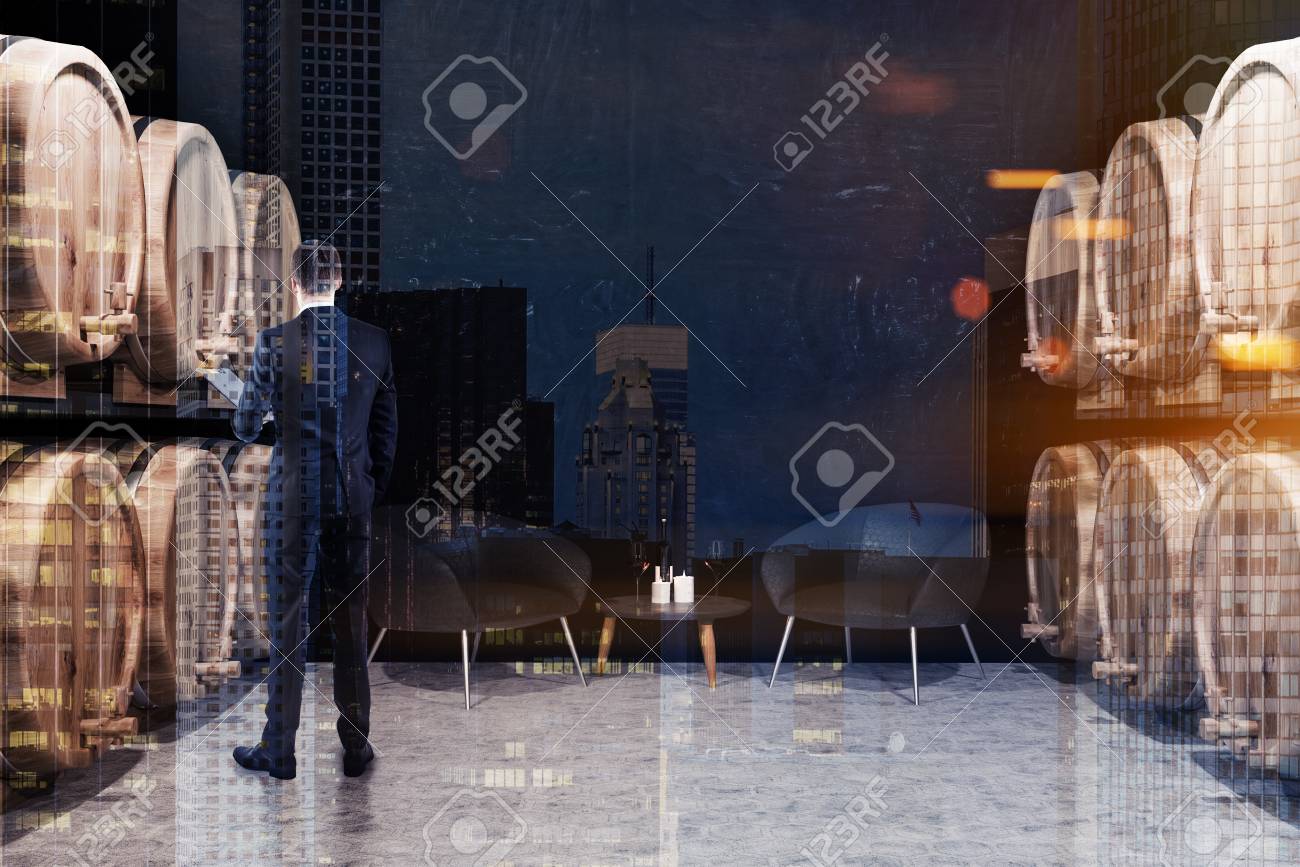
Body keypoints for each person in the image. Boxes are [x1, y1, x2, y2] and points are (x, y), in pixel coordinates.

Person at [225, 240, 397, 780]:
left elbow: (246, 427)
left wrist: (262, 412)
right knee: (350, 628)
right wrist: (367, 486)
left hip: (291, 503)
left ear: (294, 285)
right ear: (339, 280)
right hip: (352, 501)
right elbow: (387, 432)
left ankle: (279, 752)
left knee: (288, 628)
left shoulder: (276, 344)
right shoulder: (373, 343)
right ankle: (355, 748)